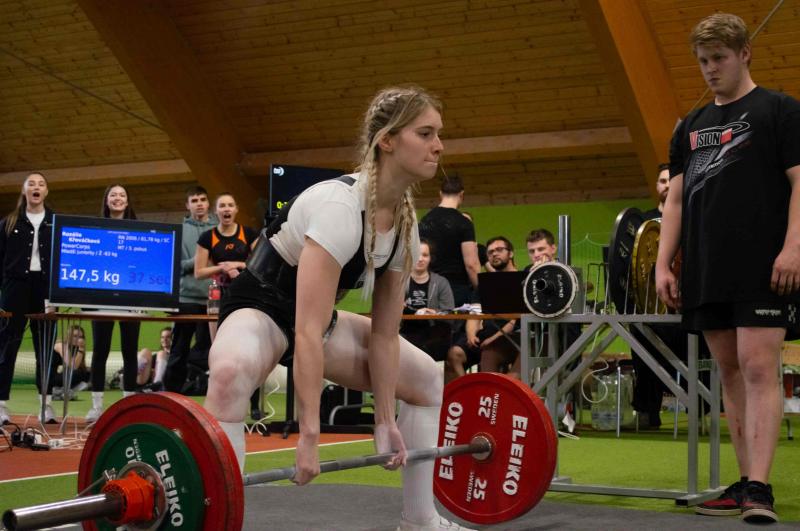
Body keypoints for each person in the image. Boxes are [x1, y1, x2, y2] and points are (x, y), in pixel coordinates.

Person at [205, 86, 473, 530]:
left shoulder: (405, 228)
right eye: (425, 133)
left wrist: (385, 420)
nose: (439, 146)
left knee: (427, 377)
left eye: (438, 134)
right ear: (387, 140)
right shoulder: (340, 207)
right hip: (261, 305)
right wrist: (309, 434)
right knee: (230, 372)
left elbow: (384, 334)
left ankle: (420, 520)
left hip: (316, 318)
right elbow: (306, 332)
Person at [656, 13, 800, 524]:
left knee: (759, 367)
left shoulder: (780, 110)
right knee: (730, 372)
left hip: (765, 264)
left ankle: (760, 488)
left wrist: (794, 247)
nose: (710, 68)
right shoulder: (690, 127)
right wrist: (663, 263)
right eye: (703, 61)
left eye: (719, 58)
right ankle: (744, 482)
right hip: (706, 266)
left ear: (744, 54)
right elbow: (675, 200)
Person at [194, 193, 260, 417]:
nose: (226, 209)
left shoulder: (248, 234)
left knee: (250, 349)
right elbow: (199, 272)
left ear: (236, 209)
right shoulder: (207, 237)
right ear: (216, 211)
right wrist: (222, 267)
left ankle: (254, 405)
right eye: (222, 206)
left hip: (245, 296)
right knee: (218, 350)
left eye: (230, 205)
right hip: (218, 296)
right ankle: (217, 405)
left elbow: (258, 265)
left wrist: (238, 264)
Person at [0, 172, 56, 424]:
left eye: (41, 184)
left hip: (45, 290)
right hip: (14, 289)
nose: (36, 187)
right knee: (6, 346)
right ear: (24, 190)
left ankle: (46, 405)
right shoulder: (8, 223)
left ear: (46, 191)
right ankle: (1, 405)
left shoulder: (55, 222)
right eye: (31, 183)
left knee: (45, 347)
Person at [87, 184, 141, 422]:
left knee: (130, 351)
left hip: (131, 299)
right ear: (106, 200)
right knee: (100, 351)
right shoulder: (96, 229)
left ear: (127, 202)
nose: (117, 198)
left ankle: (129, 405)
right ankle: (97, 407)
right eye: (113, 195)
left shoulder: (139, 230)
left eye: (122, 195)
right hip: (102, 298)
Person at [162, 186, 217, 393]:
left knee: (214, 349)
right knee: (179, 349)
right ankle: (170, 394)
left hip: (214, 299)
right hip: (186, 298)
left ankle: (209, 390)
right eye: (194, 201)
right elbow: (171, 265)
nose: (199, 204)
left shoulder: (219, 228)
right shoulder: (179, 230)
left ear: (208, 203)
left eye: (202, 199)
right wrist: (197, 262)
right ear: (187, 205)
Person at [445, 237, 519, 382]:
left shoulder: (521, 281)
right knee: (454, 354)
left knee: (489, 353)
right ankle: (471, 392)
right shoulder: (484, 284)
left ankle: (492, 391)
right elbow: (475, 313)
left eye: (499, 250)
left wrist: (492, 339)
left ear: (511, 253)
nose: (494, 254)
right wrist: (471, 334)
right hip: (483, 336)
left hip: (509, 338)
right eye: (490, 252)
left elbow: (515, 320)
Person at [419, 176, 481, 307]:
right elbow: (471, 264)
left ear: (440, 194)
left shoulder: (424, 221)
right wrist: (482, 292)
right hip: (456, 290)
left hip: (429, 288)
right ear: (462, 194)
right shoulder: (464, 223)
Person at [400, 238, 455, 362]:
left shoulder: (441, 282)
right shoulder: (399, 281)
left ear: (431, 258)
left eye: (425, 255)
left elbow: (450, 312)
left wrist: (436, 313)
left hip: (433, 335)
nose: (420, 259)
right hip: (404, 332)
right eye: (416, 254)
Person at [52, 325, 90, 401]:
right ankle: (58, 390)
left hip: (64, 375)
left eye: (81, 337)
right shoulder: (61, 345)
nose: (78, 339)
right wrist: (81, 349)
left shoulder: (75, 348)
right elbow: (74, 366)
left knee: (89, 372)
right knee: (78, 373)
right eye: (75, 336)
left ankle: (64, 389)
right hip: (51, 378)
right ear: (69, 336)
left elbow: (80, 366)